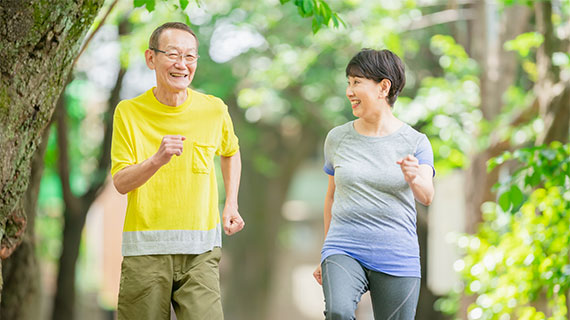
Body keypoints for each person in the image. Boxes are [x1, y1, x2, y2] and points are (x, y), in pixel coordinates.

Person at [110, 22, 245, 320]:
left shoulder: (214, 110)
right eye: (172, 54)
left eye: (190, 57)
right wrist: (156, 160)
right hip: (145, 252)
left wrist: (231, 203)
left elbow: (231, 151)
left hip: (201, 252)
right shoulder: (129, 112)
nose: (182, 64)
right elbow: (120, 182)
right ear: (151, 58)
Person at [313, 48, 435, 320]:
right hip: (344, 246)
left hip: (396, 254)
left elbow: (427, 196)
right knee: (338, 312)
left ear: (383, 87)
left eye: (357, 82)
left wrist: (414, 177)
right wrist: (325, 251)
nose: (349, 91)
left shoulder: (416, 142)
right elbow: (331, 197)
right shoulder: (337, 138)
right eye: (348, 82)